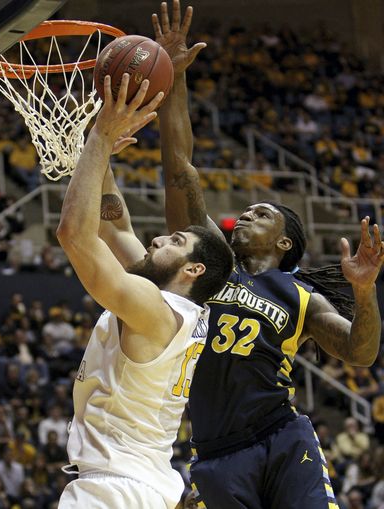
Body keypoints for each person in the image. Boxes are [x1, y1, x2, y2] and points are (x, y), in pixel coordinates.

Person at [152, 1, 384, 507]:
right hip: (214, 450)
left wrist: (363, 292)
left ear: (284, 242)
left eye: (261, 213)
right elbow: (180, 170)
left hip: (282, 436)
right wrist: (173, 81)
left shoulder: (299, 294)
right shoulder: (209, 265)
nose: (247, 214)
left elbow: (361, 354)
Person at [55, 75, 233, 509]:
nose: (157, 240)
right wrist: (103, 147)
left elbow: (75, 236)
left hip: (116, 488)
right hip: (143, 485)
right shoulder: (174, 307)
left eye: (175, 242)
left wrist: (100, 135)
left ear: (193, 269)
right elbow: (116, 225)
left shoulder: (154, 308)